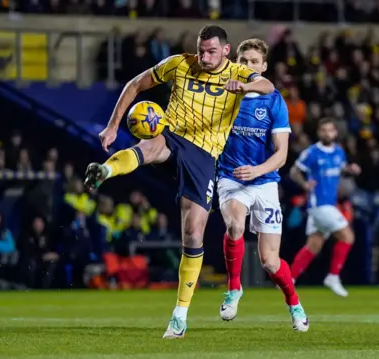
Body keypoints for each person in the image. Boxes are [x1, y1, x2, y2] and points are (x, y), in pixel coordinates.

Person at [82, 25, 275, 339]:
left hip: (204, 154)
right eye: (201, 50)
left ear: (226, 50)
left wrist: (243, 86)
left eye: (211, 51)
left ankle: (180, 315)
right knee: (151, 146)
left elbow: (267, 85)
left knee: (193, 232)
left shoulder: (238, 72)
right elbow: (134, 84)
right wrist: (112, 127)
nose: (204, 56)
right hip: (173, 135)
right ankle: (105, 170)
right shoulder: (180, 63)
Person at [216, 38, 308, 332]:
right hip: (231, 177)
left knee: (270, 261)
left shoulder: (274, 100)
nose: (248, 66)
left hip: (265, 181)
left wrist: (257, 170)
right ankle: (234, 288)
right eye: (243, 61)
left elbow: (281, 154)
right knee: (235, 226)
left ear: (264, 66)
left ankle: (294, 304)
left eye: (254, 62)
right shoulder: (223, 94)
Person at [289, 118, 361, 297]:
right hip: (319, 205)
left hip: (329, 204)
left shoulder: (339, 152)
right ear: (319, 132)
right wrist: (304, 184)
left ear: (335, 133)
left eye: (330, 130)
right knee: (347, 236)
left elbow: (341, 169)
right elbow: (294, 171)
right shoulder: (311, 153)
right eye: (324, 130)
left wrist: (350, 170)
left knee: (313, 245)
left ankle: (288, 279)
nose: (327, 133)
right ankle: (333, 276)